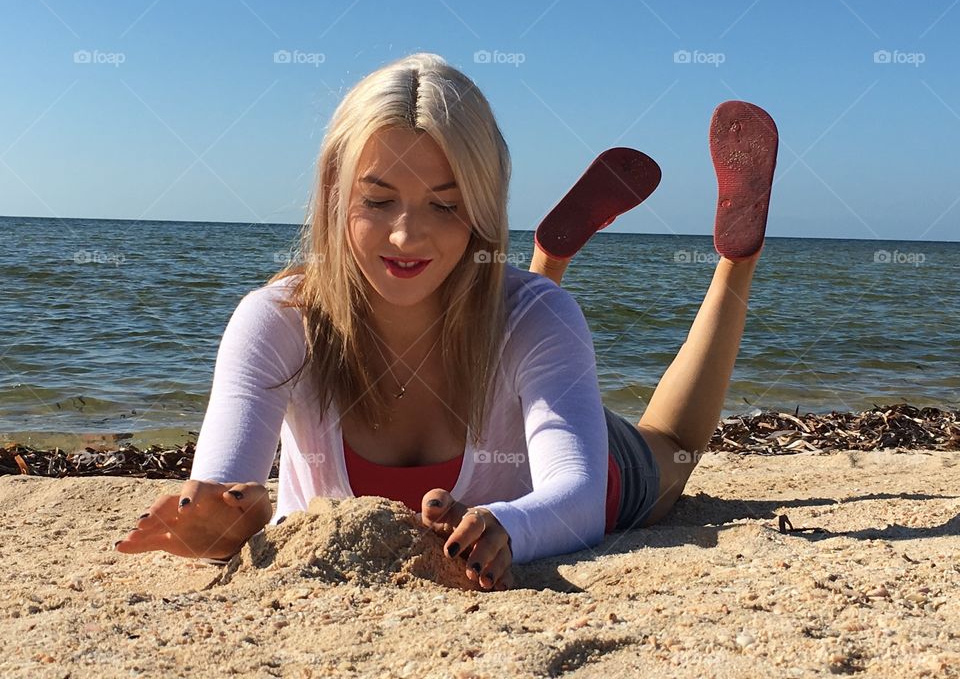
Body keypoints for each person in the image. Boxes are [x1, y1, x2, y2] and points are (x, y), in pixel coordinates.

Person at [115, 53, 778, 593]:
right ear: (333, 192)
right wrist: (224, 524)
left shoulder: (541, 322)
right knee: (524, 316)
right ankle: (546, 259)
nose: (406, 234)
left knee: (671, 445)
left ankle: (735, 261)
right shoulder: (277, 322)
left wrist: (507, 527)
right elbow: (218, 490)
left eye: (444, 205)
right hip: (520, 356)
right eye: (378, 199)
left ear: (484, 209)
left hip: (558, 430)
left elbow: (574, 497)